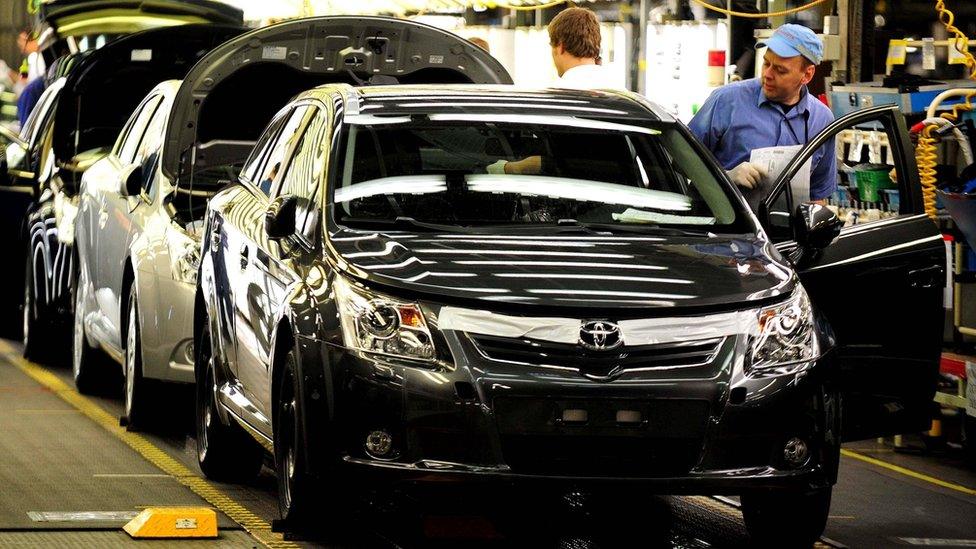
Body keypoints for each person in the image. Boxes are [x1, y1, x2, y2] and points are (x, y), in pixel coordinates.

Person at [688, 24, 836, 211]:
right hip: (725, 231)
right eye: (766, 63)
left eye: (780, 70)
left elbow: (817, 196)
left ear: (807, 75)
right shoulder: (727, 101)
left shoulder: (822, 120)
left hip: (785, 237)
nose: (767, 74)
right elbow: (679, 162)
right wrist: (725, 176)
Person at [488, 7, 614, 175]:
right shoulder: (623, 94)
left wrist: (509, 168)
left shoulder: (557, 99)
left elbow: (557, 161)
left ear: (560, 47)